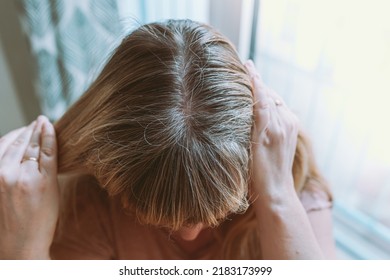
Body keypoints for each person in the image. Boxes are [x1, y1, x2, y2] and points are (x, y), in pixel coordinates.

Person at [0, 19, 335, 260]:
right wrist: (23, 251)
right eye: (151, 213)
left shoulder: (288, 182)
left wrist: (277, 196)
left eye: (220, 208)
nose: (188, 233)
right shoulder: (92, 204)